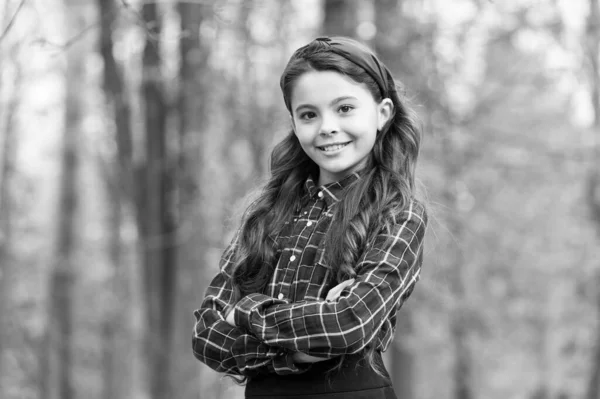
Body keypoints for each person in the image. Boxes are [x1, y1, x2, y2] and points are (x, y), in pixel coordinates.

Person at [192, 36, 427, 399]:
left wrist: (244, 312)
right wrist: (301, 344)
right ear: (294, 122)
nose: (327, 127)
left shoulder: (398, 212)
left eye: (345, 108)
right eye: (308, 114)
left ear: (382, 113)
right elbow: (206, 336)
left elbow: (348, 323)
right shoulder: (265, 214)